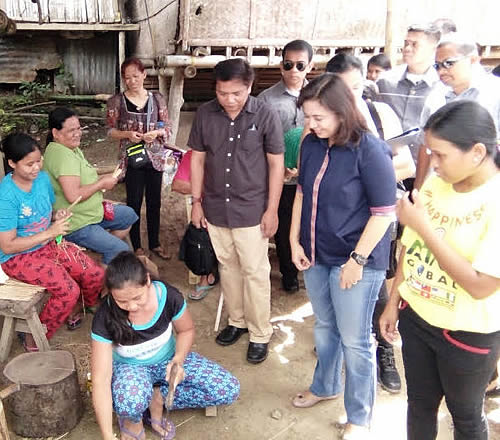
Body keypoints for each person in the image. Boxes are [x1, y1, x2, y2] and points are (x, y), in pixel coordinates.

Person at [380, 100, 500, 440]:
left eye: (440, 154)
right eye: (429, 152)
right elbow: (411, 248)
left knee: (465, 415)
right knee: (419, 405)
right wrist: (394, 301)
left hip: (467, 334)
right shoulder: (436, 184)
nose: (432, 162)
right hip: (417, 317)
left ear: (477, 152)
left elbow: (481, 286)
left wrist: (423, 225)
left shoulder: (495, 201)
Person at [290, 74, 396, 439]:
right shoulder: (311, 144)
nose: (311, 124)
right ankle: (324, 386)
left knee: (356, 340)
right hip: (316, 253)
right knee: (324, 326)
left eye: (319, 117)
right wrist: (294, 240)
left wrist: (357, 261)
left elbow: (384, 213)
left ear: (341, 112)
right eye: (307, 117)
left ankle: (360, 417)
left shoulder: (369, 149)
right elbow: (302, 194)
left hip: (356, 259)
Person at [326, 53, 416, 394]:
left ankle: (385, 352)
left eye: (355, 87)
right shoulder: (324, 120)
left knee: (378, 289)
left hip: (378, 218)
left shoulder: (381, 114)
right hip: (336, 221)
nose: (349, 96)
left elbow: (405, 166)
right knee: (338, 284)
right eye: (341, 89)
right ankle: (340, 353)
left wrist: (362, 177)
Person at [190, 58, 284, 364]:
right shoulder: (205, 113)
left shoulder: (265, 113)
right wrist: (196, 202)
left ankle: (260, 333)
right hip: (216, 207)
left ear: (249, 87)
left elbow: (276, 164)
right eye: (222, 93)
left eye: (237, 94)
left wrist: (272, 209)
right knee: (228, 267)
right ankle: (237, 321)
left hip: (252, 210)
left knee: (255, 272)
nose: (229, 100)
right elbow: (198, 160)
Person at [91, 251, 239, 440]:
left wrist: (178, 359)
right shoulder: (105, 316)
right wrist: (107, 436)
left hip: (167, 360)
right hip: (131, 368)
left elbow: (186, 330)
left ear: (147, 281)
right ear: (111, 293)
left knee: (227, 389)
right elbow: (100, 380)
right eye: (122, 301)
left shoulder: (168, 296)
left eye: (137, 298)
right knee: (129, 402)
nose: (132, 307)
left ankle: (157, 397)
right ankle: (132, 420)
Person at [0, 133, 104, 350]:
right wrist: (50, 232)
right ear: (11, 163)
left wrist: (56, 216)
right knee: (68, 290)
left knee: (94, 273)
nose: (36, 168)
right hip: (18, 256)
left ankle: (83, 307)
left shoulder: (43, 180)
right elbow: (7, 245)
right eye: (29, 164)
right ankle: (33, 339)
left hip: (47, 243)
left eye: (39, 161)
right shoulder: (6, 196)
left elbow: (46, 213)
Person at [43, 107, 138, 266]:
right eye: (71, 130)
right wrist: (101, 183)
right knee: (121, 250)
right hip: (76, 222)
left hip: (90, 212)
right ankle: (105, 271)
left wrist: (103, 180)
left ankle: (100, 255)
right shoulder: (62, 156)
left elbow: (82, 180)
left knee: (128, 215)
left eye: (79, 128)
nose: (77, 133)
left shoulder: (71, 149)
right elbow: (73, 196)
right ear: (56, 133)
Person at [259, 39, 314, 293]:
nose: (294, 70)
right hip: (279, 178)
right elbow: (258, 139)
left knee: (310, 223)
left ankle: (312, 271)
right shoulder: (265, 100)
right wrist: (279, 169)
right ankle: (289, 273)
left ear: (309, 66)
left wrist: (305, 167)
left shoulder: (320, 96)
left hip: (314, 175)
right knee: (283, 225)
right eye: (288, 64)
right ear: (281, 66)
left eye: (300, 65)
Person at [414, 32, 500, 188]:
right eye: (437, 66)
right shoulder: (435, 96)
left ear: (473, 59)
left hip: (485, 189)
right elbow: (425, 146)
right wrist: (418, 187)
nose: (441, 71)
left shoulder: (495, 93)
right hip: (439, 187)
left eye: (448, 63)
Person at [107, 57, 172, 260]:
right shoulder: (117, 101)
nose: (132, 81)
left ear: (144, 75)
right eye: (128, 78)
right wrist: (127, 135)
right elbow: (109, 130)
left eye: (136, 76)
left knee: (155, 202)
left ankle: (155, 243)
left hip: (155, 158)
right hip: (132, 158)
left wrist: (157, 133)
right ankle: (137, 246)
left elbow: (166, 126)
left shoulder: (157, 99)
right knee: (134, 202)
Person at [377, 22, 441, 183]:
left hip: (429, 173)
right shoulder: (385, 82)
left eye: (414, 44)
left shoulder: (442, 87)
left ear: (433, 48)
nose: (407, 48)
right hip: (391, 169)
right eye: (406, 43)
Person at [171, 149, 219, 300]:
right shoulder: (193, 155)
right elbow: (177, 185)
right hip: (206, 209)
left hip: (234, 209)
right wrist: (208, 191)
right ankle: (206, 275)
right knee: (198, 228)